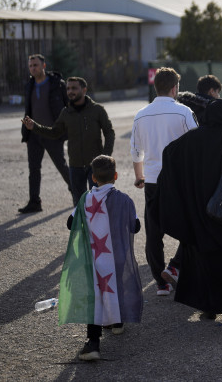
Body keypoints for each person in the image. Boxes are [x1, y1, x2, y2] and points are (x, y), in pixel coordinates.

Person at [154, 98, 222, 319]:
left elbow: (168, 153)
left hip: (198, 214)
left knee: (203, 260)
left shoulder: (190, 140)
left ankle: (209, 306)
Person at [59, 155, 142, 361]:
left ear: (93, 178)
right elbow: (136, 226)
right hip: (117, 257)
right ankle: (118, 323)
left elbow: (71, 224)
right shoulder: (125, 200)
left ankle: (93, 342)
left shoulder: (85, 199)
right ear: (115, 176)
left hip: (93, 258)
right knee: (116, 286)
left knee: (94, 296)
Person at [130, 67, 198, 296]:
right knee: (191, 225)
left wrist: (139, 176)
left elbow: (136, 151)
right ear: (174, 88)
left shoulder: (141, 114)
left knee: (154, 231)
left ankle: (161, 282)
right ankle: (175, 267)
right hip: (178, 180)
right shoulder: (184, 112)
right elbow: (196, 144)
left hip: (152, 180)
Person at [22, 77, 114, 205]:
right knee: (79, 205)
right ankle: (81, 226)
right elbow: (54, 132)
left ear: (84, 90)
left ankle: (99, 226)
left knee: (98, 204)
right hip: (75, 166)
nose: (70, 91)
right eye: (68, 88)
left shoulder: (97, 110)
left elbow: (109, 132)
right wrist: (35, 127)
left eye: (74, 88)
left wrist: (105, 156)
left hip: (95, 166)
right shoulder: (66, 112)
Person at [19, 54, 70, 214]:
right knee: (33, 168)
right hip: (34, 133)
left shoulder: (57, 84)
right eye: (30, 66)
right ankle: (35, 202)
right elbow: (28, 109)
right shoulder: (30, 85)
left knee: (61, 165)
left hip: (52, 133)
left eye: (35, 65)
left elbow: (68, 107)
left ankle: (78, 194)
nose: (33, 68)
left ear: (44, 66)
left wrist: (66, 130)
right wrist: (26, 133)